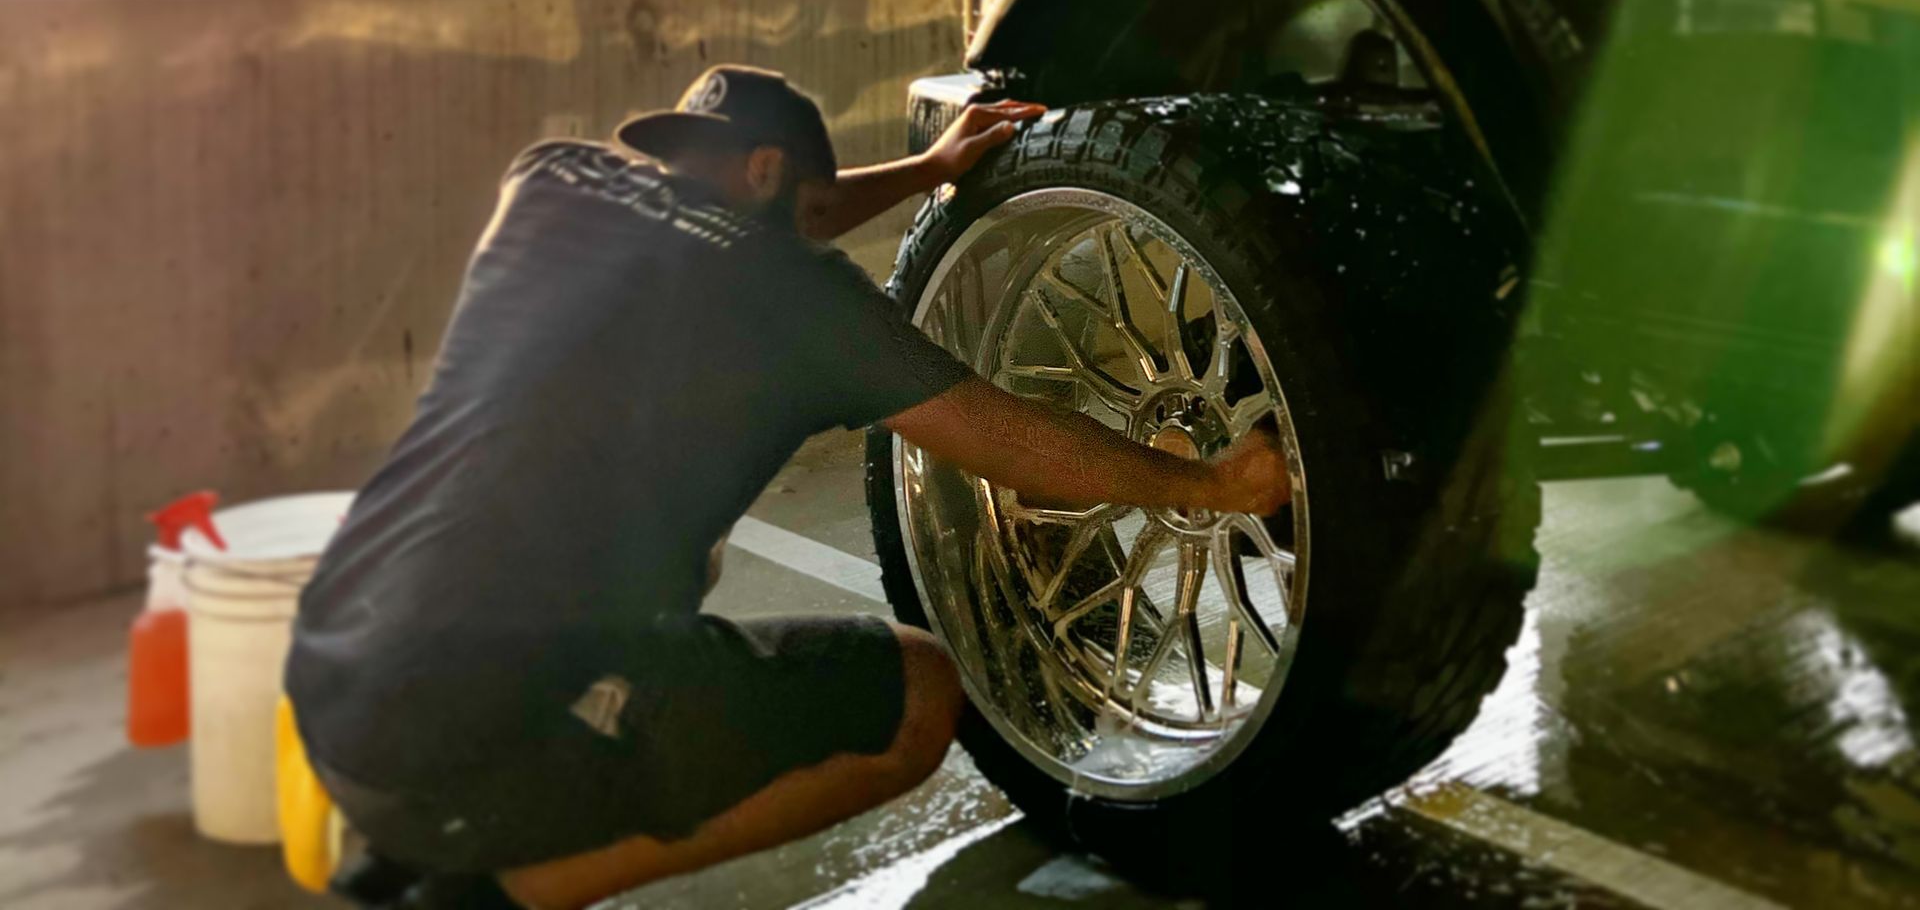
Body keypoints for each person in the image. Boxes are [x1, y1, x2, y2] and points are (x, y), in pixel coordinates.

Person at [287, 66, 1290, 910]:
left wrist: (934, 171)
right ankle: (479, 892)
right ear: (771, 172)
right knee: (917, 696)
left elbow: (763, 219)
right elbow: (1007, 439)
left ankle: (422, 836)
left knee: (671, 557)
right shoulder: (809, 307)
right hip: (469, 723)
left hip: (333, 663)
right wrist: (1208, 483)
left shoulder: (551, 179)